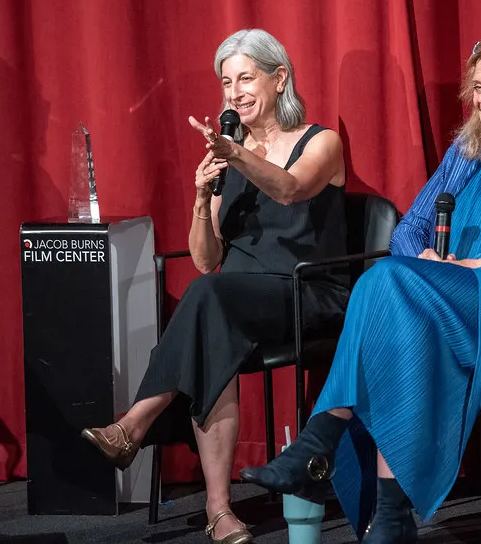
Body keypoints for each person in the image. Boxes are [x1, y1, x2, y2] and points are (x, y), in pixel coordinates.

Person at [240, 34, 481, 543]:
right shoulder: (467, 152)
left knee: (384, 281)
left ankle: (322, 440)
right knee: (397, 306)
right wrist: (427, 259)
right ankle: (390, 514)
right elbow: (408, 230)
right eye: (477, 87)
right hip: (446, 295)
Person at [82, 29, 350, 544]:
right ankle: (220, 510)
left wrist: (237, 154)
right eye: (226, 82)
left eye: (245, 78)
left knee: (210, 302)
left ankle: (135, 425)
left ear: (280, 78)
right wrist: (202, 199)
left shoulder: (321, 142)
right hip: (237, 301)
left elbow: (290, 190)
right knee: (213, 320)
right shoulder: (234, 155)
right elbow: (207, 261)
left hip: (307, 292)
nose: (234, 92)